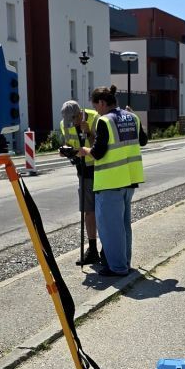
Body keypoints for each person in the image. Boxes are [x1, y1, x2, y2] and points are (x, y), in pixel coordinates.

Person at [78, 84, 147, 277]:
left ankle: (117, 267)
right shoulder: (132, 117)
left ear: (101, 103)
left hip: (110, 182)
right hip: (129, 180)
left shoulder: (105, 121)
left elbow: (98, 153)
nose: (96, 111)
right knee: (123, 226)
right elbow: (143, 141)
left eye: (96, 106)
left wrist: (84, 151)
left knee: (110, 229)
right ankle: (124, 263)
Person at [59, 100, 101, 265]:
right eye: (68, 121)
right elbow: (69, 143)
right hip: (82, 172)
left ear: (80, 113)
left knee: (102, 212)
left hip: (99, 170)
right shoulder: (64, 124)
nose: (72, 124)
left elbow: (101, 147)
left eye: (74, 119)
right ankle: (92, 250)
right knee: (88, 211)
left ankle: (107, 249)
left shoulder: (95, 118)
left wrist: (89, 132)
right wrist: (65, 150)